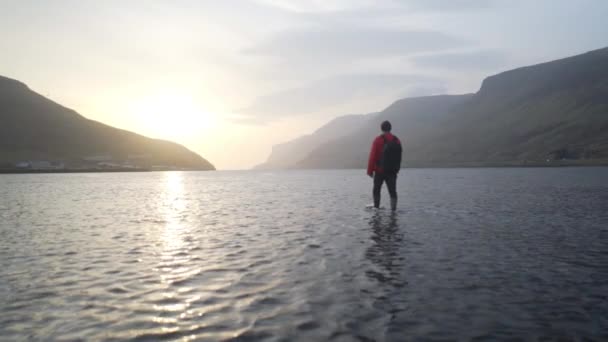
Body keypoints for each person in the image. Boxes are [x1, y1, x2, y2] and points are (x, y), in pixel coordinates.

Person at [367, 120, 402, 210]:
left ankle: (376, 207)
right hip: (392, 171)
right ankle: (393, 210)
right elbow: (399, 156)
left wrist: (370, 171)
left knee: (376, 190)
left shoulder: (378, 140)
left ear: (381, 128)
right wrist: (397, 169)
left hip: (379, 171)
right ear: (390, 128)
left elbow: (373, 156)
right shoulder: (396, 140)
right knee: (392, 192)